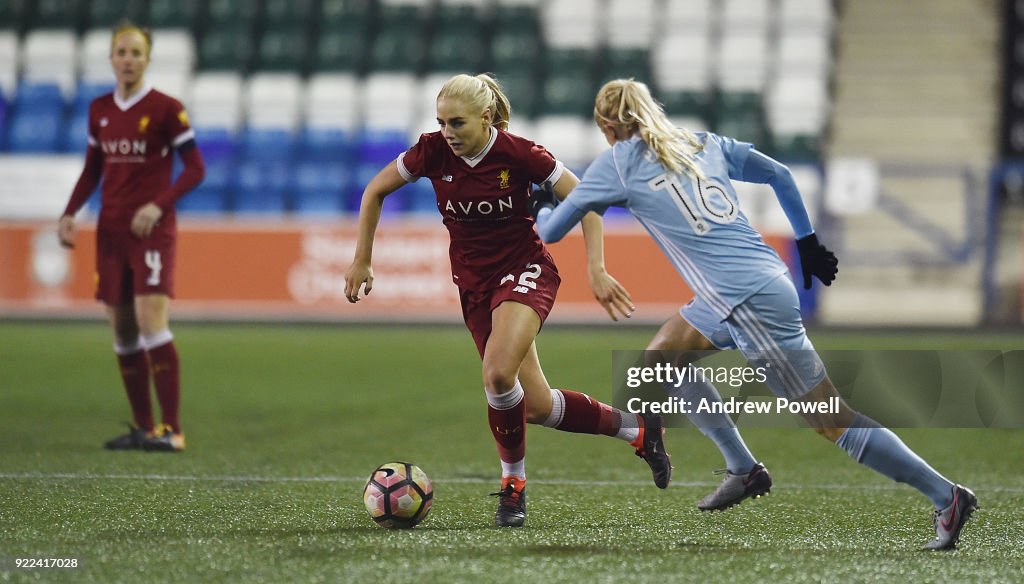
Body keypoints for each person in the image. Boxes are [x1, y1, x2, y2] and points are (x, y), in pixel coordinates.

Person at [533, 78, 977, 551]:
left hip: (748, 303)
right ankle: (744, 470)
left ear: (605, 125)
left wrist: (538, 207)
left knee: (831, 420)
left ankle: (946, 496)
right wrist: (806, 243)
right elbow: (780, 175)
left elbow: (554, 230)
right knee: (661, 357)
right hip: (755, 283)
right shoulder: (701, 142)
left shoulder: (615, 165)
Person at [343, 73, 670, 528]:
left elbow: (587, 202)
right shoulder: (430, 151)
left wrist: (596, 268)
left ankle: (513, 487)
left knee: (498, 374)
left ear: (487, 117)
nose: (448, 133)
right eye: (440, 122)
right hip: (474, 286)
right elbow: (374, 190)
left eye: (457, 123)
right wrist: (363, 259)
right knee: (532, 404)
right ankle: (637, 430)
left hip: (525, 271)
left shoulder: (521, 154)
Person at [58, 22, 205, 452]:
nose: (128, 59)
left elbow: (196, 168)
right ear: (110, 58)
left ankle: (173, 430)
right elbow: (92, 170)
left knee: (150, 323)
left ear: (147, 59)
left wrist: (158, 204)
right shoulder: (99, 109)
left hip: (151, 232)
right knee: (122, 332)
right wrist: (70, 212)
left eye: (136, 53)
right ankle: (144, 427)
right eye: (121, 52)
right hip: (111, 231)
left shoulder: (165, 109)